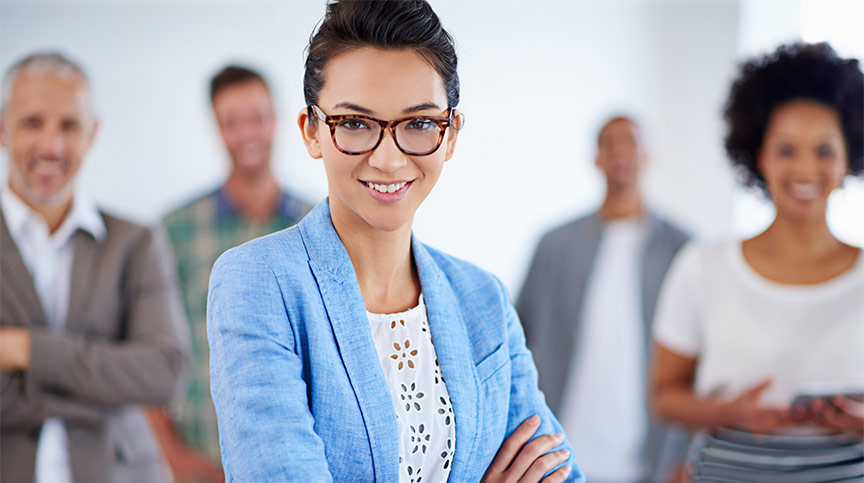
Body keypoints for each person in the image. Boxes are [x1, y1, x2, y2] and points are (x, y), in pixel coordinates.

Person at [206, 1, 583, 481]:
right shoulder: (258, 282)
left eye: (419, 123)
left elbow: (561, 472)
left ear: (451, 134)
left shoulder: (482, 297)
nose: (388, 159)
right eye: (355, 123)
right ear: (312, 132)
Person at [651, 42, 864, 480]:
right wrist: (728, 411)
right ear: (759, 156)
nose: (805, 167)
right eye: (786, 149)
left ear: (848, 158)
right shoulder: (702, 266)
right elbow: (663, 396)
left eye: (824, 150)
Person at [0, 52, 188, 483]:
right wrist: (105, 388)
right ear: (2, 129)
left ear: (92, 133)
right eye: (33, 123)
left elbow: (163, 373)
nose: (51, 145)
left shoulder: (136, 242)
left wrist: (22, 350)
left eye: (69, 125)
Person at [146, 64, 311, 482]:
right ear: (217, 129)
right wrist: (173, 457)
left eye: (257, 118)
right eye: (231, 122)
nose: (247, 133)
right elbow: (146, 346)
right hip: (203, 464)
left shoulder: (319, 227)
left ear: (277, 119)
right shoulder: (175, 230)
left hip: (299, 462)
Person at [517, 116, 690, 482]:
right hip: (559, 452)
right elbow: (518, 340)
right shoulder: (555, 245)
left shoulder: (682, 250)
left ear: (648, 155)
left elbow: (696, 362)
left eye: (630, 142)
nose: (620, 152)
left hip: (650, 460)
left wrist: (686, 455)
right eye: (609, 143)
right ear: (596, 157)